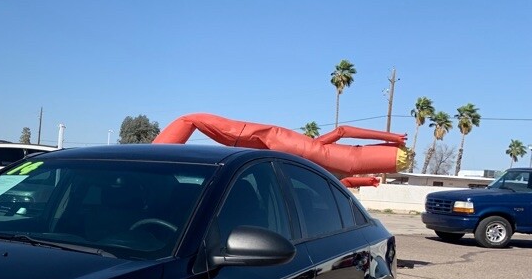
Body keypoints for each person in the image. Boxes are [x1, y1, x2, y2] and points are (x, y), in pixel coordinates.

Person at [154, 113, 408, 187]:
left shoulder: (323, 154)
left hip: (287, 144)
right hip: (289, 150)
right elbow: (343, 182)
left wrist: (391, 137)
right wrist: (368, 180)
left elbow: (343, 131)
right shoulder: (334, 167)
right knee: (196, 121)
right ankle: (157, 158)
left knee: (193, 119)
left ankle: (156, 158)